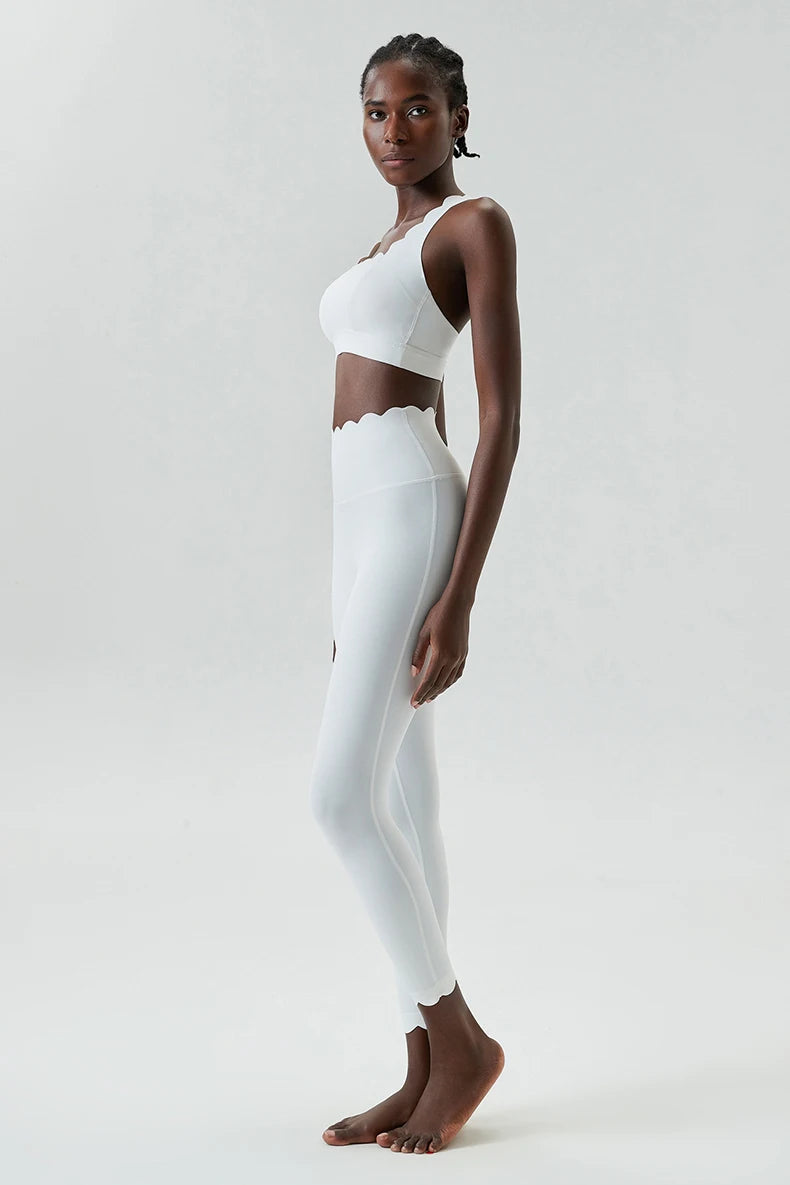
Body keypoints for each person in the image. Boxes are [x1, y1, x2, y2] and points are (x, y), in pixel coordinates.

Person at [308, 32, 521, 1155]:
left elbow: (500, 416)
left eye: (419, 109)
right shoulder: (382, 246)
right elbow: (419, 394)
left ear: (457, 117)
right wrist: (358, 585)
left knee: (339, 798)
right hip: (364, 525)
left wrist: (457, 595)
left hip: (413, 514)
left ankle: (461, 1038)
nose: (396, 131)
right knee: (401, 796)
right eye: (377, 113)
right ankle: (421, 1064)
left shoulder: (472, 224)